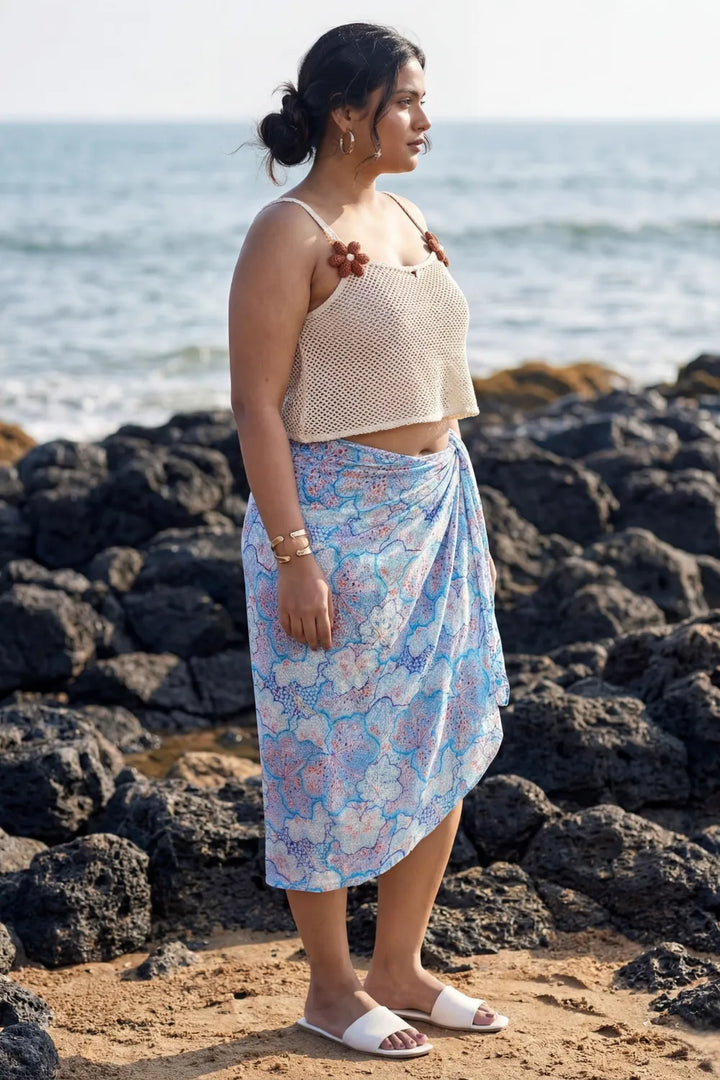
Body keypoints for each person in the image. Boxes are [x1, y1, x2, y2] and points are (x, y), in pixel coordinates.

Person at [228, 22, 511, 1061]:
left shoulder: (403, 212)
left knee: (434, 739)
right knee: (322, 755)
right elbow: (257, 408)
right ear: (350, 114)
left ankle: (398, 966)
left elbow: (430, 378)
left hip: (434, 506)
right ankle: (332, 988)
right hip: (333, 521)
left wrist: (464, 530)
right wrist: (296, 554)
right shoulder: (286, 230)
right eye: (410, 102)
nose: (427, 121)